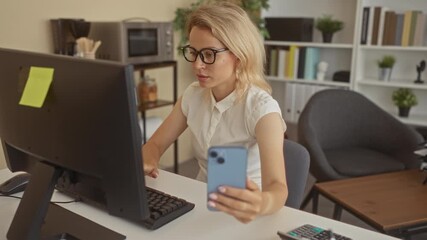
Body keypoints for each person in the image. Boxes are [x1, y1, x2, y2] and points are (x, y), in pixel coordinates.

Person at [142, 1, 288, 223]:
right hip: (202, 202)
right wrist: (148, 159)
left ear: (239, 55)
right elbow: (155, 144)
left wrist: (261, 202)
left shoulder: (262, 109)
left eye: (209, 54)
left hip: (247, 212)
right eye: (193, 52)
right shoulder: (194, 95)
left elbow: (278, 189)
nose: (197, 65)